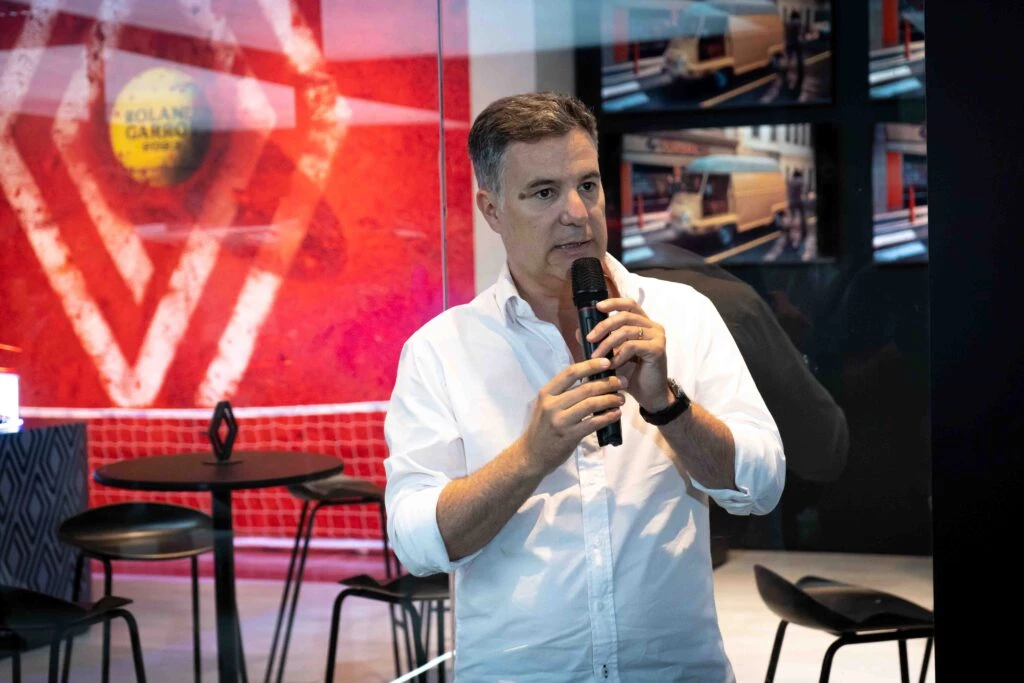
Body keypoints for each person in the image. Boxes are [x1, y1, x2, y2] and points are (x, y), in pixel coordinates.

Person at [384, 92, 785, 681]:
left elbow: (762, 485)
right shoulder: (441, 350)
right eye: (544, 192)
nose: (576, 212)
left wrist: (668, 407)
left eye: (588, 186)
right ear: (491, 209)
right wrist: (530, 457)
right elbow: (416, 542)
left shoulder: (684, 315)